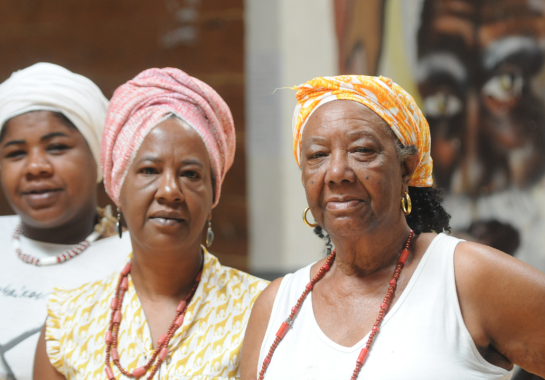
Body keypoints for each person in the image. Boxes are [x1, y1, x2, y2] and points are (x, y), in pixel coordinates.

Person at [240, 75, 545, 379]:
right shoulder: (276, 305)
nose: (336, 173)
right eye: (318, 155)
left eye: (362, 150)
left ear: (406, 168)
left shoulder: (465, 277)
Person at [33, 67, 268, 379]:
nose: (170, 191)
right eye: (149, 170)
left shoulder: (260, 309)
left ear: (213, 196)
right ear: (118, 189)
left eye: (190, 174)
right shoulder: (68, 321)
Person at [0, 63, 132, 380]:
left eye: (57, 147)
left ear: (99, 156)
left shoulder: (138, 261)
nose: (36, 167)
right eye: (16, 153)